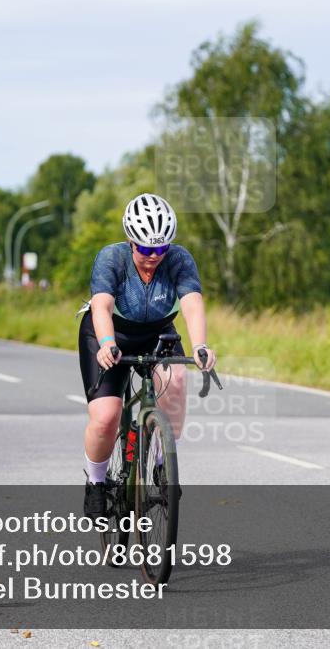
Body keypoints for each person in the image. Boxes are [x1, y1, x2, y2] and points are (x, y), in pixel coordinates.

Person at [79, 193, 216, 519]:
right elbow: (102, 307)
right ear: (131, 240)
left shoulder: (179, 259)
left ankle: (160, 463)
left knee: (178, 380)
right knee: (106, 417)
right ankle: (96, 483)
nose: (154, 256)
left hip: (158, 331)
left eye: (161, 248)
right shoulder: (111, 258)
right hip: (111, 331)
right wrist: (108, 343)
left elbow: (192, 304)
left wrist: (200, 345)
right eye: (145, 248)